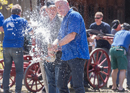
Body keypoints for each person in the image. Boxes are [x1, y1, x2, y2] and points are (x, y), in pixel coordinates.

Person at [49, 0, 90, 93]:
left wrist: (57, 45)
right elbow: (59, 37)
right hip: (67, 55)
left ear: (67, 4)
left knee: (77, 86)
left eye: (60, 6)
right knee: (60, 84)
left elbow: (72, 35)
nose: (58, 9)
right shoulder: (64, 18)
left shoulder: (74, 15)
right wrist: (53, 45)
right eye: (57, 7)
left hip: (77, 55)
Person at [2, 4, 32, 93]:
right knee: (19, 71)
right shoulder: (22, 20)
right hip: (17, 48)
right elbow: (31, 31)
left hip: (6, 47)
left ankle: (5, 90)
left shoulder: (6, 21)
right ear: (20, 13)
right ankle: (18, 91)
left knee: (6, 70)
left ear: (11, 13)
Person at [37, 3, 62, 93]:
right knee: (50, 80)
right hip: (46, 54)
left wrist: (59, 47)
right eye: (50, 9)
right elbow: (39, 37)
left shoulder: (61, 21)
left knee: (58, 81)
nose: (52, 11)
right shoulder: (43, 22)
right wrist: (39, 51)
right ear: (46, 10)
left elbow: (64, 37)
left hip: (59, 54)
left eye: (54, 9)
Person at [89, 12, 111, 86]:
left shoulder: (106, 26)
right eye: (95, 18)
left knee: (103, 65)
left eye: (98, 18)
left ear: (101, 18)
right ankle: (97, 81)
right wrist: (94, 37)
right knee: (95, 65)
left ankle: (103, 82)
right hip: (97, 47)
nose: (96, 19)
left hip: (105, 46)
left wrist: (100, 37)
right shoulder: (92, 25)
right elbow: (90, 35)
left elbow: (108, 36)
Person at [109, 23, 130, 92]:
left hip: (112, 49)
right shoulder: (129, 33)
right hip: (121, 50)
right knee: (122, 70)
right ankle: (120, 87)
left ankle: (114, 86)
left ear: (122, 28)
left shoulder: (117, 33)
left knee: (114, 69)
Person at [109, 20, 122, 89]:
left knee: (119, 69)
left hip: (120, 50)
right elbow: (112, 42)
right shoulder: (113, 31)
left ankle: (118, 84)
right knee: (115, 68)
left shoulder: (122, 31)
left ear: (119, 25)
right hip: (115, 50)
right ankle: (115, 84)